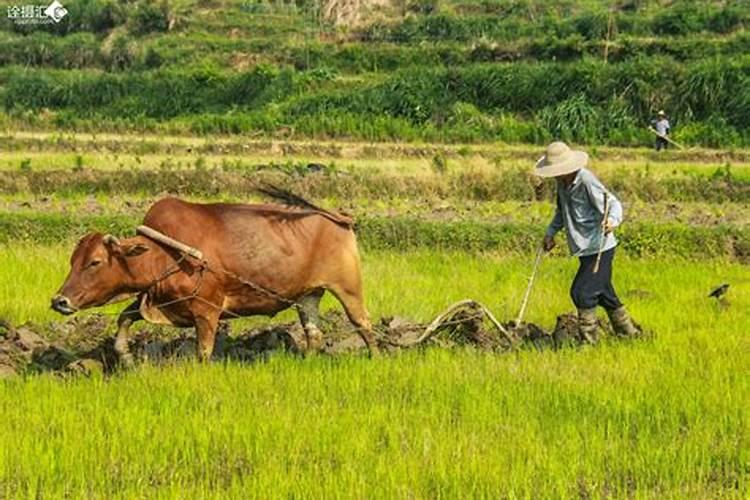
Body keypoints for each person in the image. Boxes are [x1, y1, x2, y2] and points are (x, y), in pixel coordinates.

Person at [534, 141, 639, 343]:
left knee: (582, 292)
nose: (555, 174)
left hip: (599, 247)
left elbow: (613, 202)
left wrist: (613, 220)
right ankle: (629, 335)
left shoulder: (586, 180)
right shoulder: (562, 184)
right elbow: (561, 211)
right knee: (605, 294)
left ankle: (589, 343)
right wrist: (550, 233)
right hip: (583, 248)